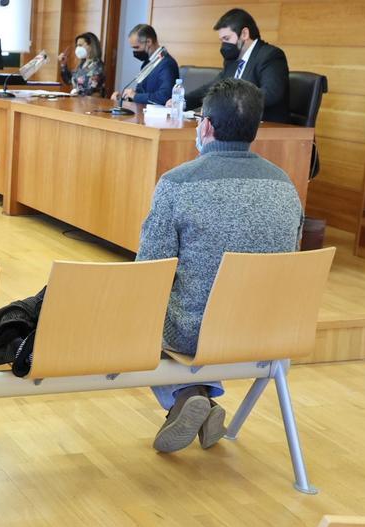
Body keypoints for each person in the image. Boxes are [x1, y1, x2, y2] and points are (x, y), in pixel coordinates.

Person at [140, 78, 303, 453]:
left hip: (196, 333)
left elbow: (148, 273)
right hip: (267, 330)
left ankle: (187, 395)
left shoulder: (177, 184)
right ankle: (199, 399)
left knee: (142, 308)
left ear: (207, 126)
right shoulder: (285, 185)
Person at [175, 8, 290, 123]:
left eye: (227, 38)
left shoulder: (270, 55)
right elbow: (213, 88)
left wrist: (231, 103)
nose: (224, 45)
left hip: (267, 128)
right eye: (222, 40)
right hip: (235, 127)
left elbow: (271, 93)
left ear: (244, 34)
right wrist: (182, 101)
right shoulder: (233, 61)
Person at [110, 24, 179, 106]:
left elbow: (164, 96)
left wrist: (135, 96)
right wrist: (125, 97)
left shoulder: (167, 64)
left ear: (149, 42)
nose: (134, 51)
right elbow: (141, 92)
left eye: (136, 47)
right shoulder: (148, 63)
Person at [57, 32, 105, 96]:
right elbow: (69, 80)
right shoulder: (82, 64)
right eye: (77, 45)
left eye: (80, 45)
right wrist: (63, 64)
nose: (77, 48)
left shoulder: (98, 66)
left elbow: (91, 89)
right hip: (77, 102)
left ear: (91, 46)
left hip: (91, 103)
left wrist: (76, 92)